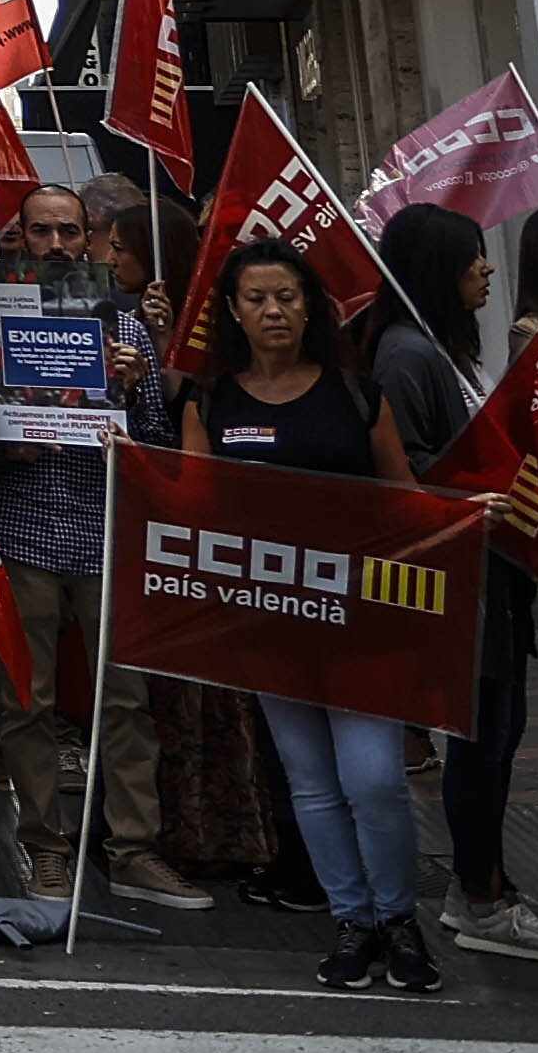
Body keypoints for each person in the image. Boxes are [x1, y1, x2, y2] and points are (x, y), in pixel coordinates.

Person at [185, 240, 435, 994]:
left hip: (362, 624)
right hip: (271, 623)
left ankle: (401, 918)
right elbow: (191, 509)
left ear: (311, 306)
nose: (273, 312)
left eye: (287, 297)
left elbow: (406, 499)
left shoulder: (357, 395)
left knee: (376, 781)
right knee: (313, 786)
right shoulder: (210, 403)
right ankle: (353, 921)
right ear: (233, 311)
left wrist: (466, 515)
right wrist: (131, 465)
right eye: (257, 298)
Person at [370, 200, 538, 964]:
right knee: (480, 740)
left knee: (499, 735)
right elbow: (408, 472)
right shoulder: (405, 356)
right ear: (437, 270)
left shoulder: (445, 351)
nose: (486, 268)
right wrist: (473, 501)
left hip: (498, 575)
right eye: (469, 259)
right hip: (463, 585)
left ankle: (485, 880)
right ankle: (479, 898)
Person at [0, 177, 194, 906]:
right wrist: (6, 444)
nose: (58, 246)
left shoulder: (125, 326)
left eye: (70, 231)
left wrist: (139, 388)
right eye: (41, 232)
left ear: (91, 239)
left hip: (104, 534)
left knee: (124, 702)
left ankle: (132, 849)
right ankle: (44, 847)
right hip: (23, 528)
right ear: (20, 239)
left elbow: (162, 449)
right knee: (26, 704)